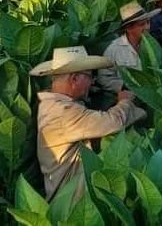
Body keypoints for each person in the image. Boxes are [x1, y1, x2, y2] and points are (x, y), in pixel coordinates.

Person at [30, 46, 146, 201]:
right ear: (74, 79)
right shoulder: (63, 113)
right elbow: (113, 122)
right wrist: (125, 101)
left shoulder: (52, 105)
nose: (92, 82)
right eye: (90, 76)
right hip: (71, 205)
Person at [97, 1, 160, 92]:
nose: (147, 27)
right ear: (129, 28)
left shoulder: (153, 45)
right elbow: (103, 78)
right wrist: (125, 86)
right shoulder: (114, 49)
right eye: (142, 24)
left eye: (148, 22)